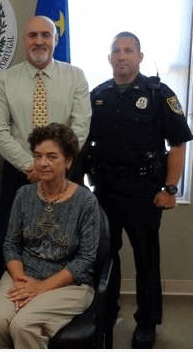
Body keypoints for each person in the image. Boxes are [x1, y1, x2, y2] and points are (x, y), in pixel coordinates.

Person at [83, 32, 193, 348]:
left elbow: (178, 143)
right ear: (109, 58)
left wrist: (170, 188)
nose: (122, 56)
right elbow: (84, 142)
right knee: (105, 255)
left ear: (140, 57)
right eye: (116, 51)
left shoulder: (158, 93)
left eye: (128, 50)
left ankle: (147, 322)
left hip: (144, 189)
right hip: (105, 188)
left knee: (146, 258)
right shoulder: (98, 95)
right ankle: (106, 311)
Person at [0, 123, 100, 348]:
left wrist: (39, 288)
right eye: (38, 156)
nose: (43, 163)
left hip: (68, 284)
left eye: (52, 156)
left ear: (68, 161)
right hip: (23, 276)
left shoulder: (86, 201)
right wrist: (22, 281)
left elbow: (85, 260)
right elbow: (11, 245)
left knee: (23, 325)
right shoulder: (24, 194)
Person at [0, 15, 91, 241]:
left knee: (67, 237)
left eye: (46, 35)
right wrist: (31, 166)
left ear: (55, 39)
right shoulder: (6, 79)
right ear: (25, 40)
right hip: (21, 173)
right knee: (14, 238)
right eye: (33, 35)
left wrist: (56, 164)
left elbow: (81, 125)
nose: (39, 41)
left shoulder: (75, 76)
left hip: (66, 173)